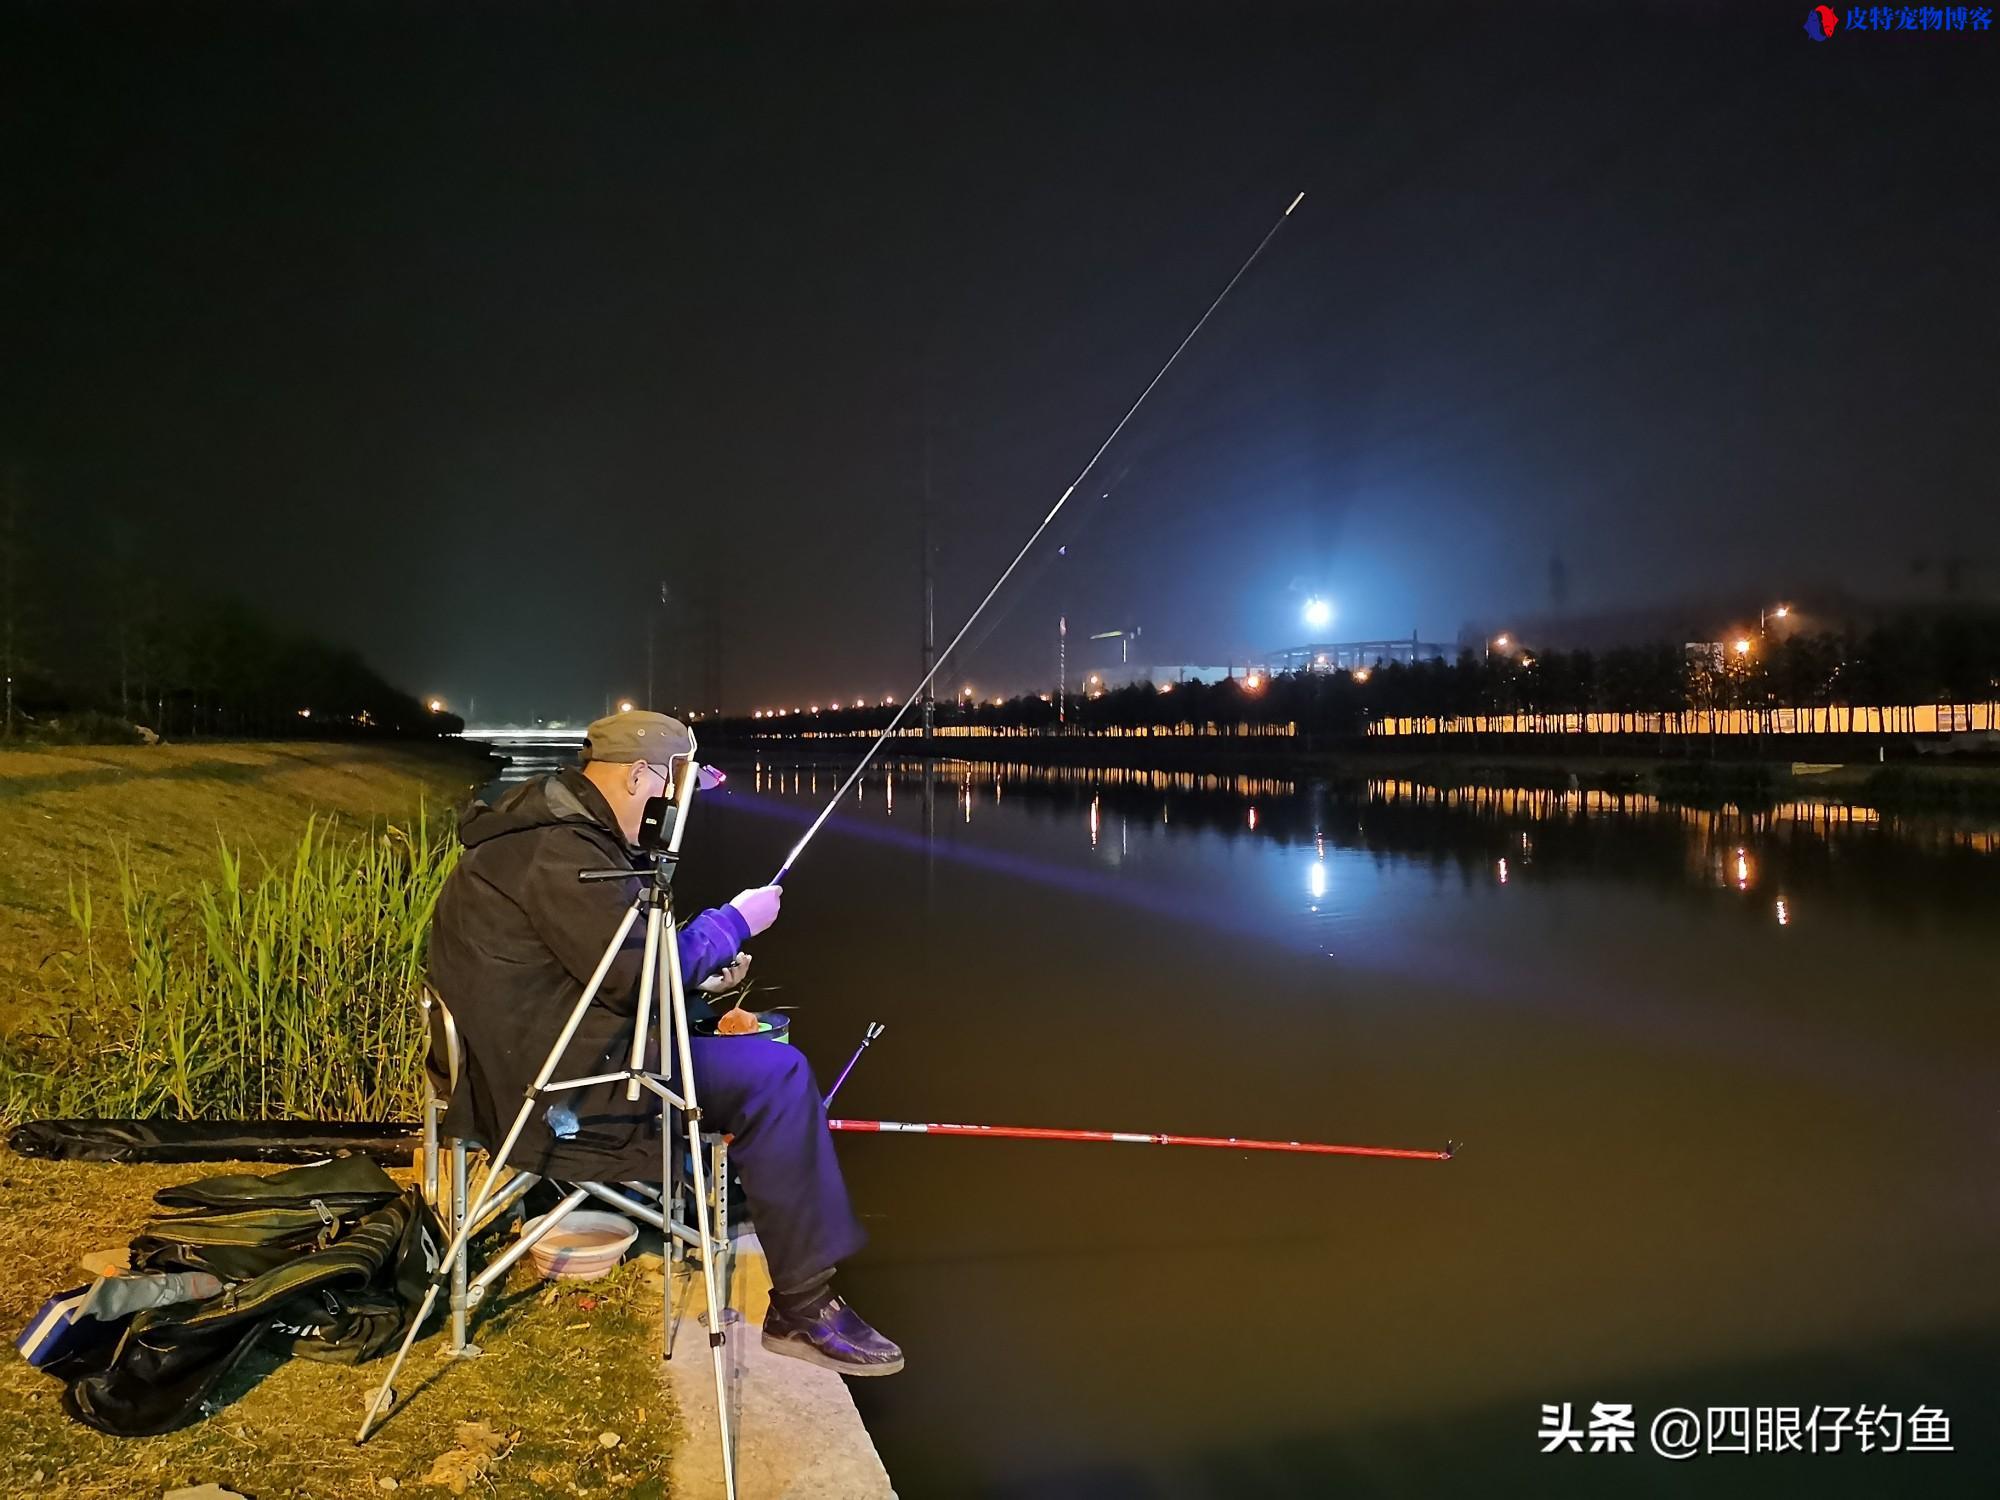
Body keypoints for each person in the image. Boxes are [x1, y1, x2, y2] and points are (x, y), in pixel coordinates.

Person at [427, 709, 902, 1375]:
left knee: (732, 1036)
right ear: (643, 775)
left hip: (528, 1057)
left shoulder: (548, 838)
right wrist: (733, 922)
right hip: (559, 1091)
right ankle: (804, 1305)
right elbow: (633, 974)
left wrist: (702, 965)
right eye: (675, 791)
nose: (677, 810)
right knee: (779, 1073)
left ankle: (754, 1209)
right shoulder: (567, 852)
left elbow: (604, 964)